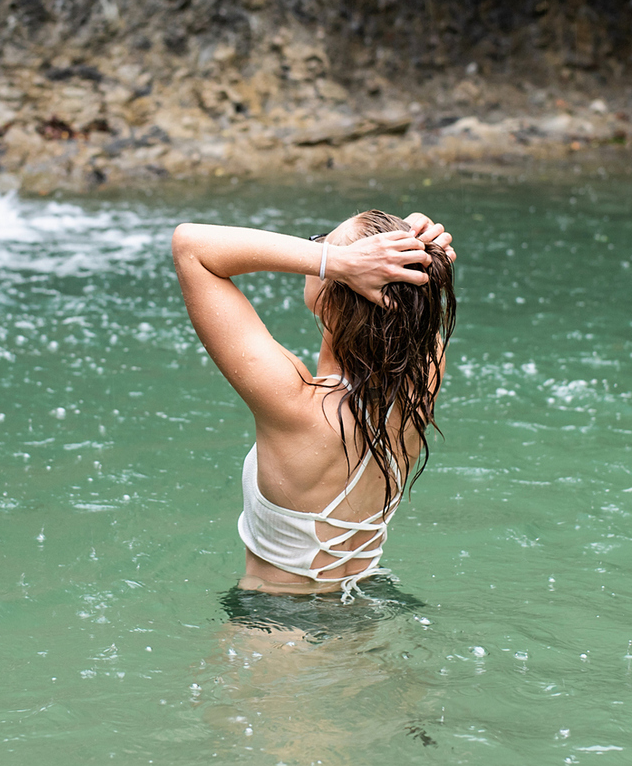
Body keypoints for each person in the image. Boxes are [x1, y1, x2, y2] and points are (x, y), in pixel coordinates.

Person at [171, 210, 456, 604]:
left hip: (278, 626)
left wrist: (337, 262)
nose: (313, 248)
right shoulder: (422, 378)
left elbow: (191, 246)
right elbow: (410, 304)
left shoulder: (294, 405)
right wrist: (418, 250)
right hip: (369, 607)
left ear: (335, 286)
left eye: (319, 241)